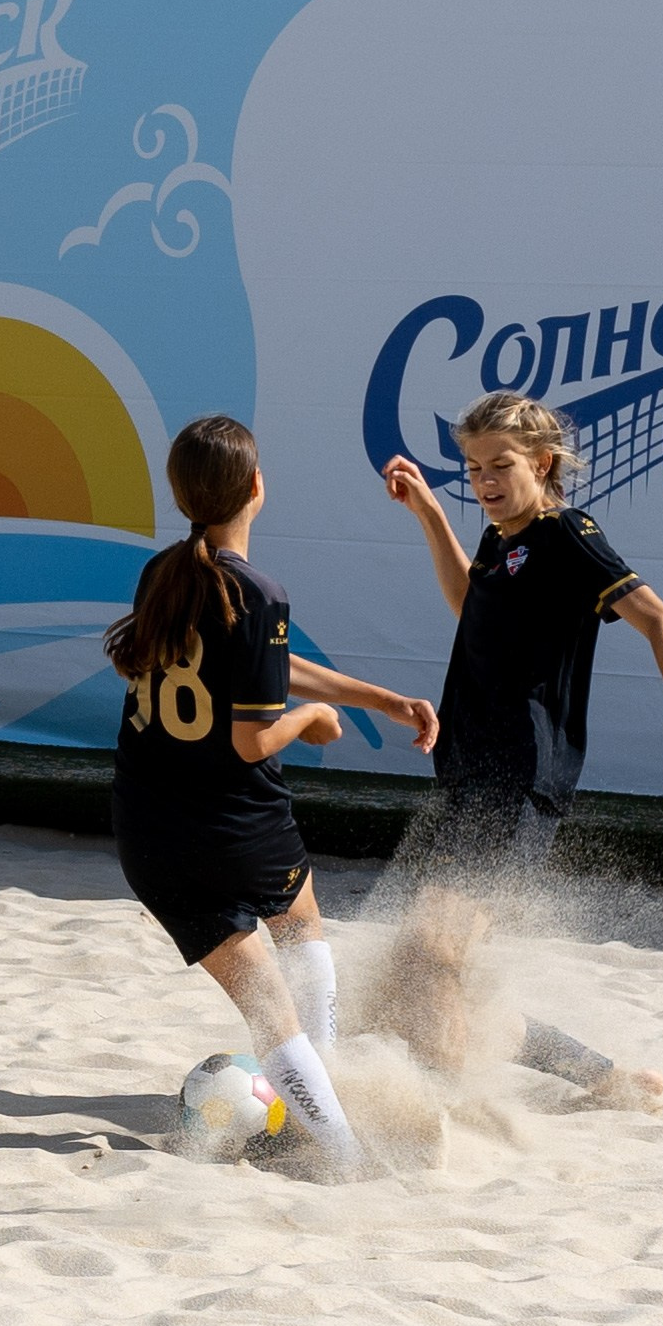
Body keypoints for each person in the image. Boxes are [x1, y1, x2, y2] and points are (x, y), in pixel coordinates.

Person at [379, 390, 663, 1100]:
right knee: (425, 973)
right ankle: (604, 1078)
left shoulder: (566, 534)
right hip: (470, 777)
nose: (484, 481)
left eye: (500, 465)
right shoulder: (501, 539)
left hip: (518, 780)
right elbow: (472, 605)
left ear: (543, 463)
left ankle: (438, 1113)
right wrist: (429, 514)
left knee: (432, 960)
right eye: (473, 467)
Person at [106, 413, 437, 1175]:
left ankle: (328, 1133)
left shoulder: (164, 574)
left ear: (182, 495)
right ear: (256, 486)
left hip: (147, 829)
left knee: (266, 1004)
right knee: (299, 937)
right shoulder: (259, 590)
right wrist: (314, 719)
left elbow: (259, 663)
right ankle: (346, 1151)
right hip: (235, 822)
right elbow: (253, 738)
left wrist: (379, 698)